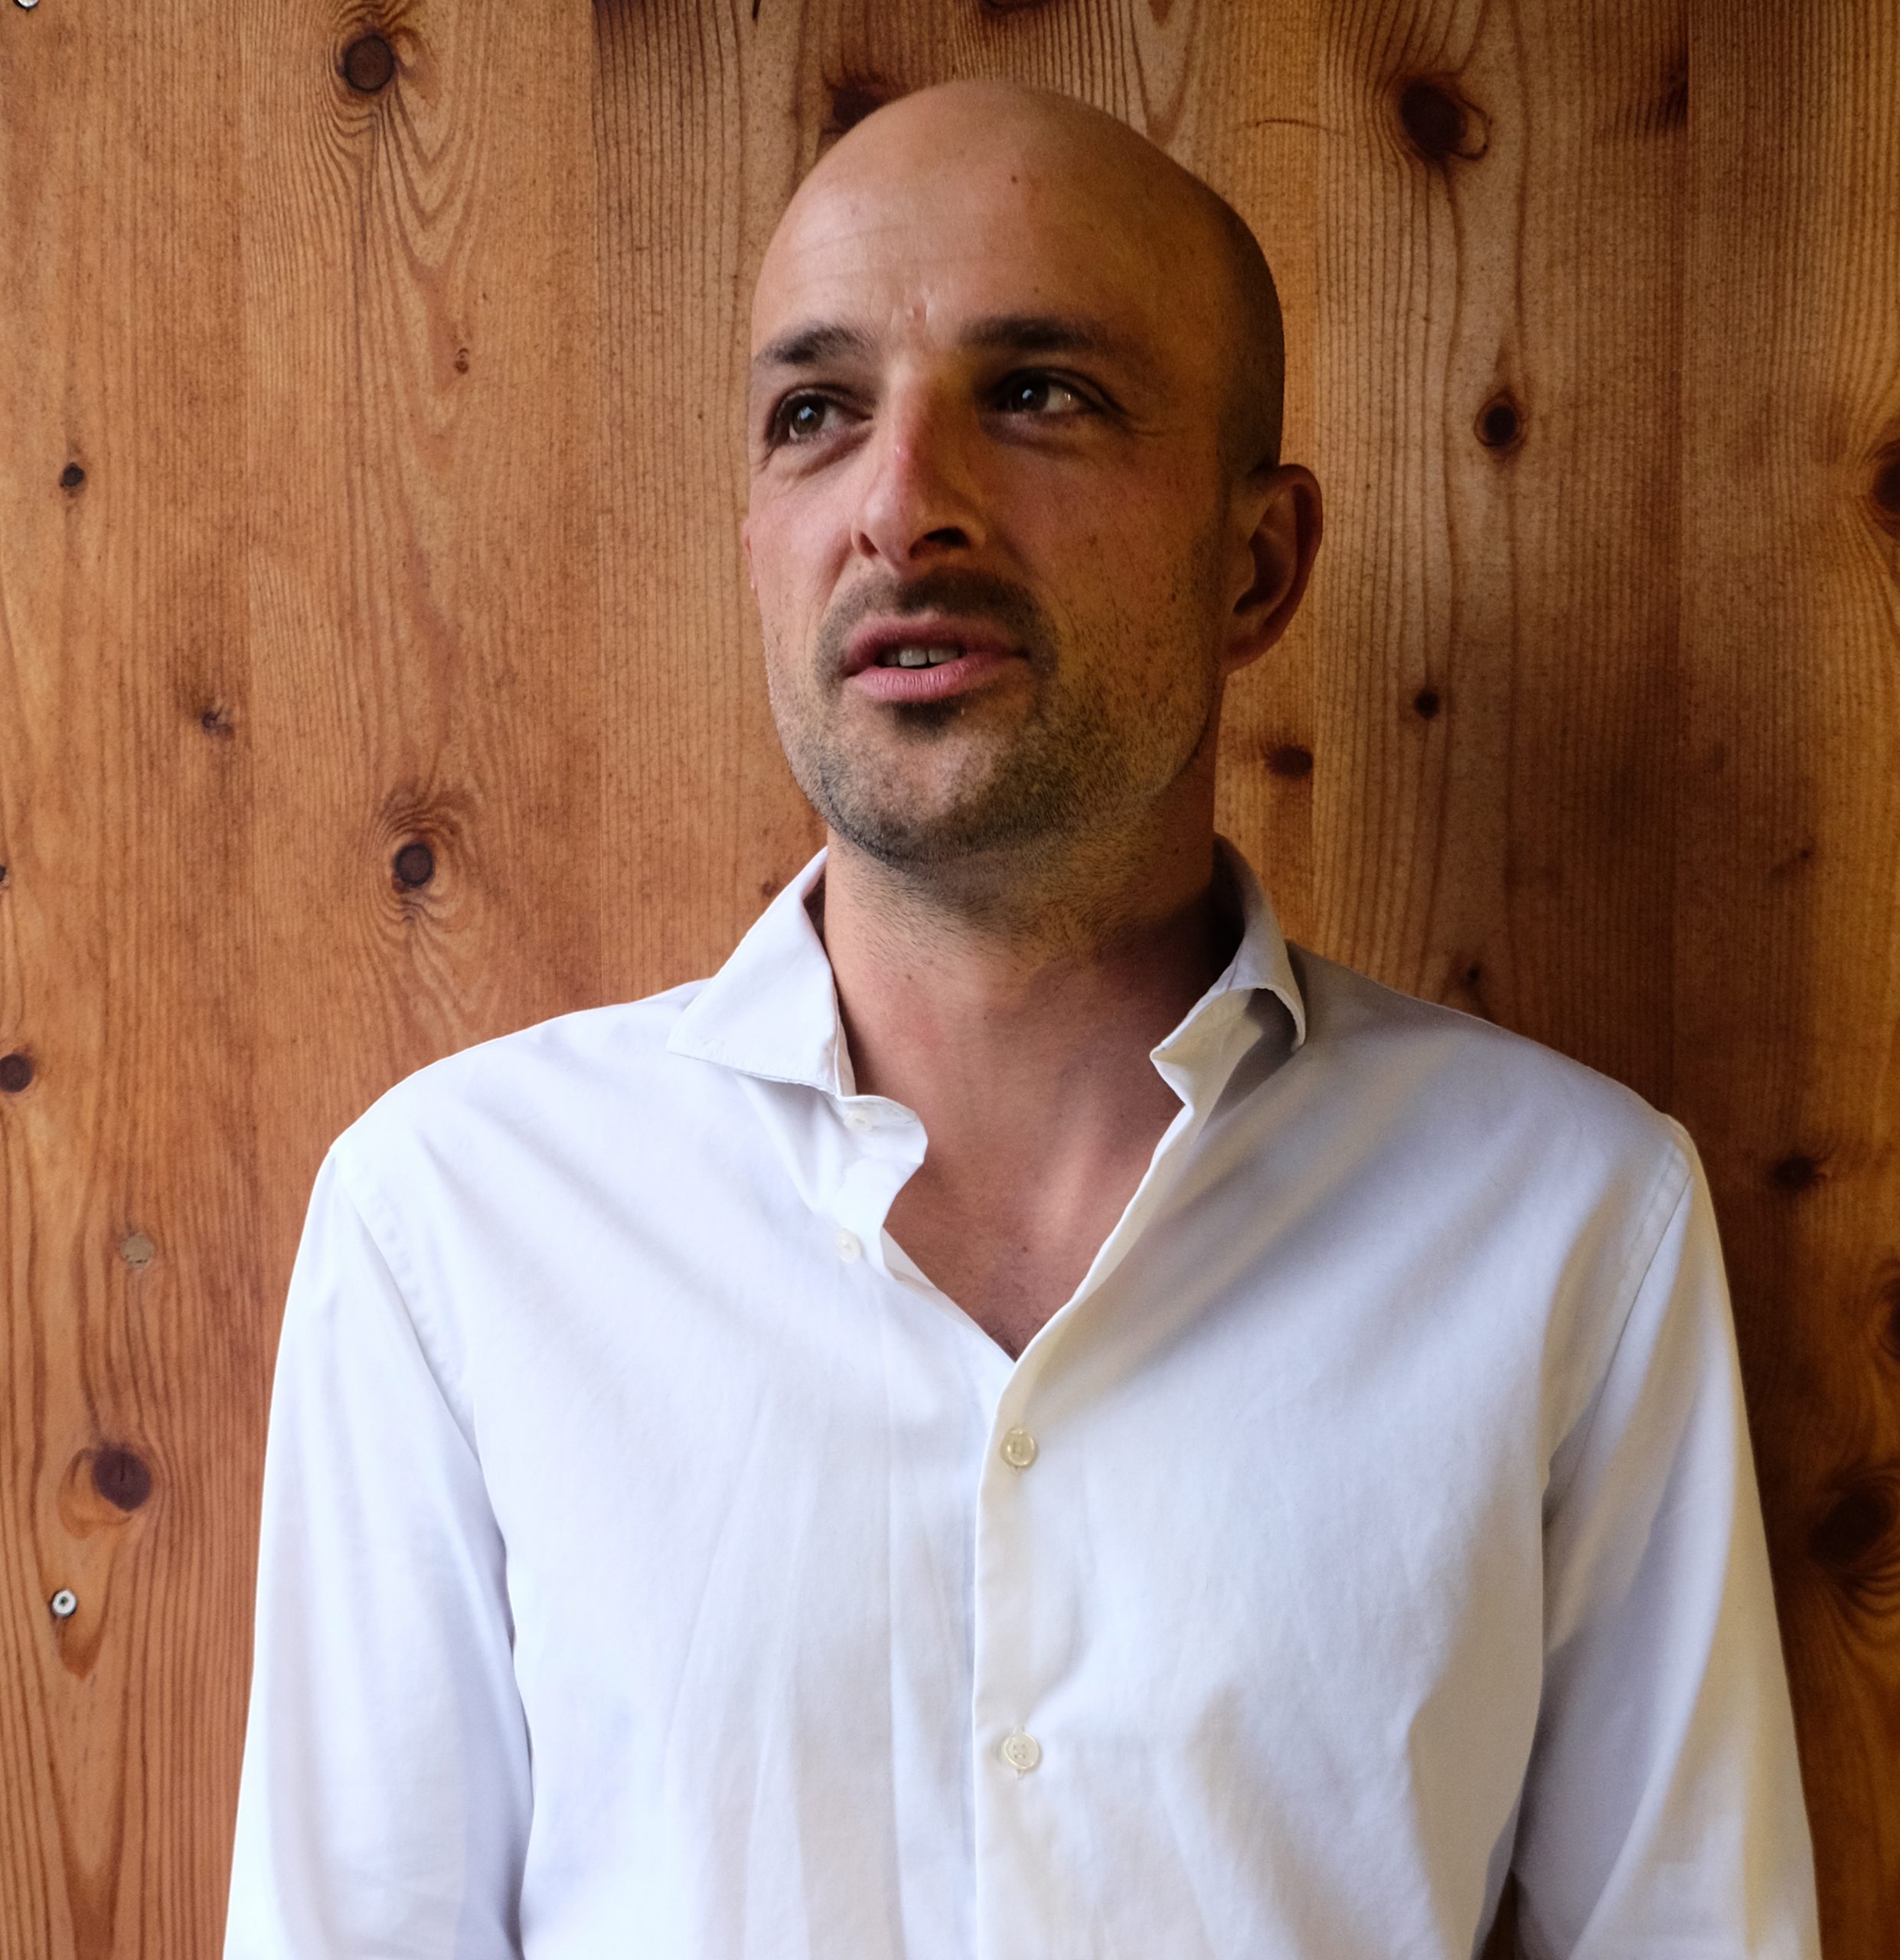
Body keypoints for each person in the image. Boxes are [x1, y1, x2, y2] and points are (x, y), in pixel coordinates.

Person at [223, 78, 1820, 1960]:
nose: (901, 505)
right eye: (814, 414)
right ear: (754, 541)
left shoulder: (1566, 1222)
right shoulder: (457, 1225)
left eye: (1037, 392)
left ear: (1254, 563)